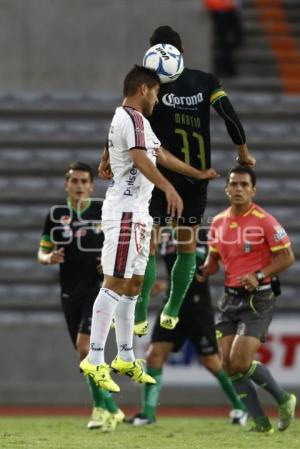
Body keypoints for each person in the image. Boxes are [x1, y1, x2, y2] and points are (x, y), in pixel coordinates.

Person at [80, 65, 219, 393]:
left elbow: (158, 154)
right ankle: (95, 358)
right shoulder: (130, 118)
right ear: (144, 89)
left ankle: (125, 355)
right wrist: (169, 189)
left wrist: (195, 174)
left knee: (135, 284)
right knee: (114, 282)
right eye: (156, 92)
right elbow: (142, 159)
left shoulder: (133, 121)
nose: (158, 98)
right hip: (126, 212)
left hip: (139, 214)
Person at [121, 25, 255, 335]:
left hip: (157, 177)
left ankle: (140, 313)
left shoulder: (147, 86)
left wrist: (107, 157)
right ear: (182, 52)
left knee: (148, 249)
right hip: (196, 180)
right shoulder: (206, 82)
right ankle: (173, 308)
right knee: (186, 248)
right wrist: (243, 153)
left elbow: (128, 121)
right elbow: (230, 116)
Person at [199, 165, 296, 433]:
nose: (238, 189)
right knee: (228, 366)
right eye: (234, 184)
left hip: (258, 299)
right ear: (227, 188)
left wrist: (260, 274)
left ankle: (284, 399)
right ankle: (260, 423)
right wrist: (205, 269)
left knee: (240, 362)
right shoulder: (218, 222)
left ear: (253, 190)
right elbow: (215, 258)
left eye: (244, 185)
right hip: (229, 300)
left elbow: (287, 257)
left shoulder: (265, 220)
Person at [126, 228, 248, 426]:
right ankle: (148, 414)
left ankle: (241, 407)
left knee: (210, 360)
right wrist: (154, 284)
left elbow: (215, 264)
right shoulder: (161, 235)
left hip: (197, 306)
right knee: (154, 354)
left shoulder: (204, 235)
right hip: (171, 306)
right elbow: (147, 262)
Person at [38, 161, 124, 432]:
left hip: (99, 290)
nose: (79, 186)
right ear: (67, 185)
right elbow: (41, 252)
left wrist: (108, 263)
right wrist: (48, 257)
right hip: (69, 292)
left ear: (91, 185)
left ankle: (100, 411)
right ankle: (112, 409)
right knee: (83, 355)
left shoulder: (102, 210)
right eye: (74, 181)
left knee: (85, 347)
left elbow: (121, 243)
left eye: (84, 181)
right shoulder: (56, 214)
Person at [204, 0, 244, 77]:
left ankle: (223, 63)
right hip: (219, 8)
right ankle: (227, 66)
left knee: (236, 38)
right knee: (224, 39)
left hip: (230, 7)